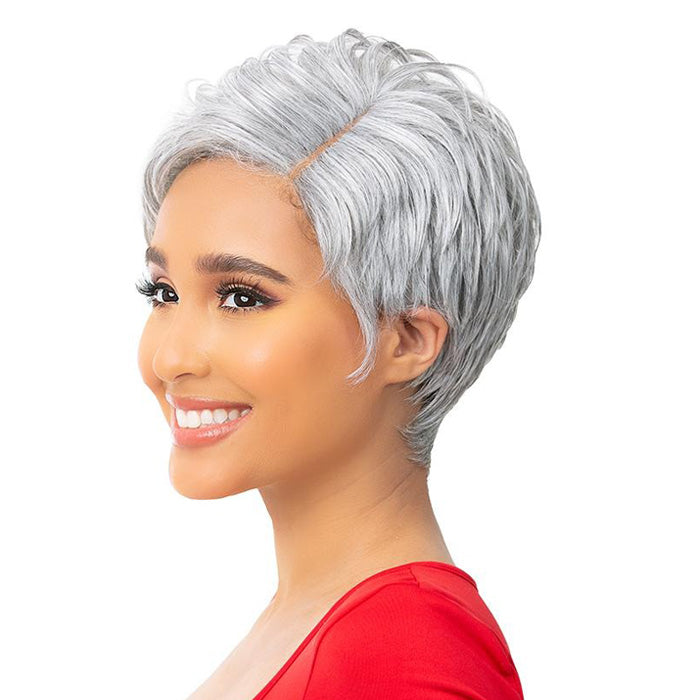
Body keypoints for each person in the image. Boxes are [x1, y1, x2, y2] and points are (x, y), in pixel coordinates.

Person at [136, 28, 540, 700]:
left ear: (407, 339)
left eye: (241, 297)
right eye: (163, 293)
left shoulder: (406, 660)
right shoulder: (316, 624)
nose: (168, 357)